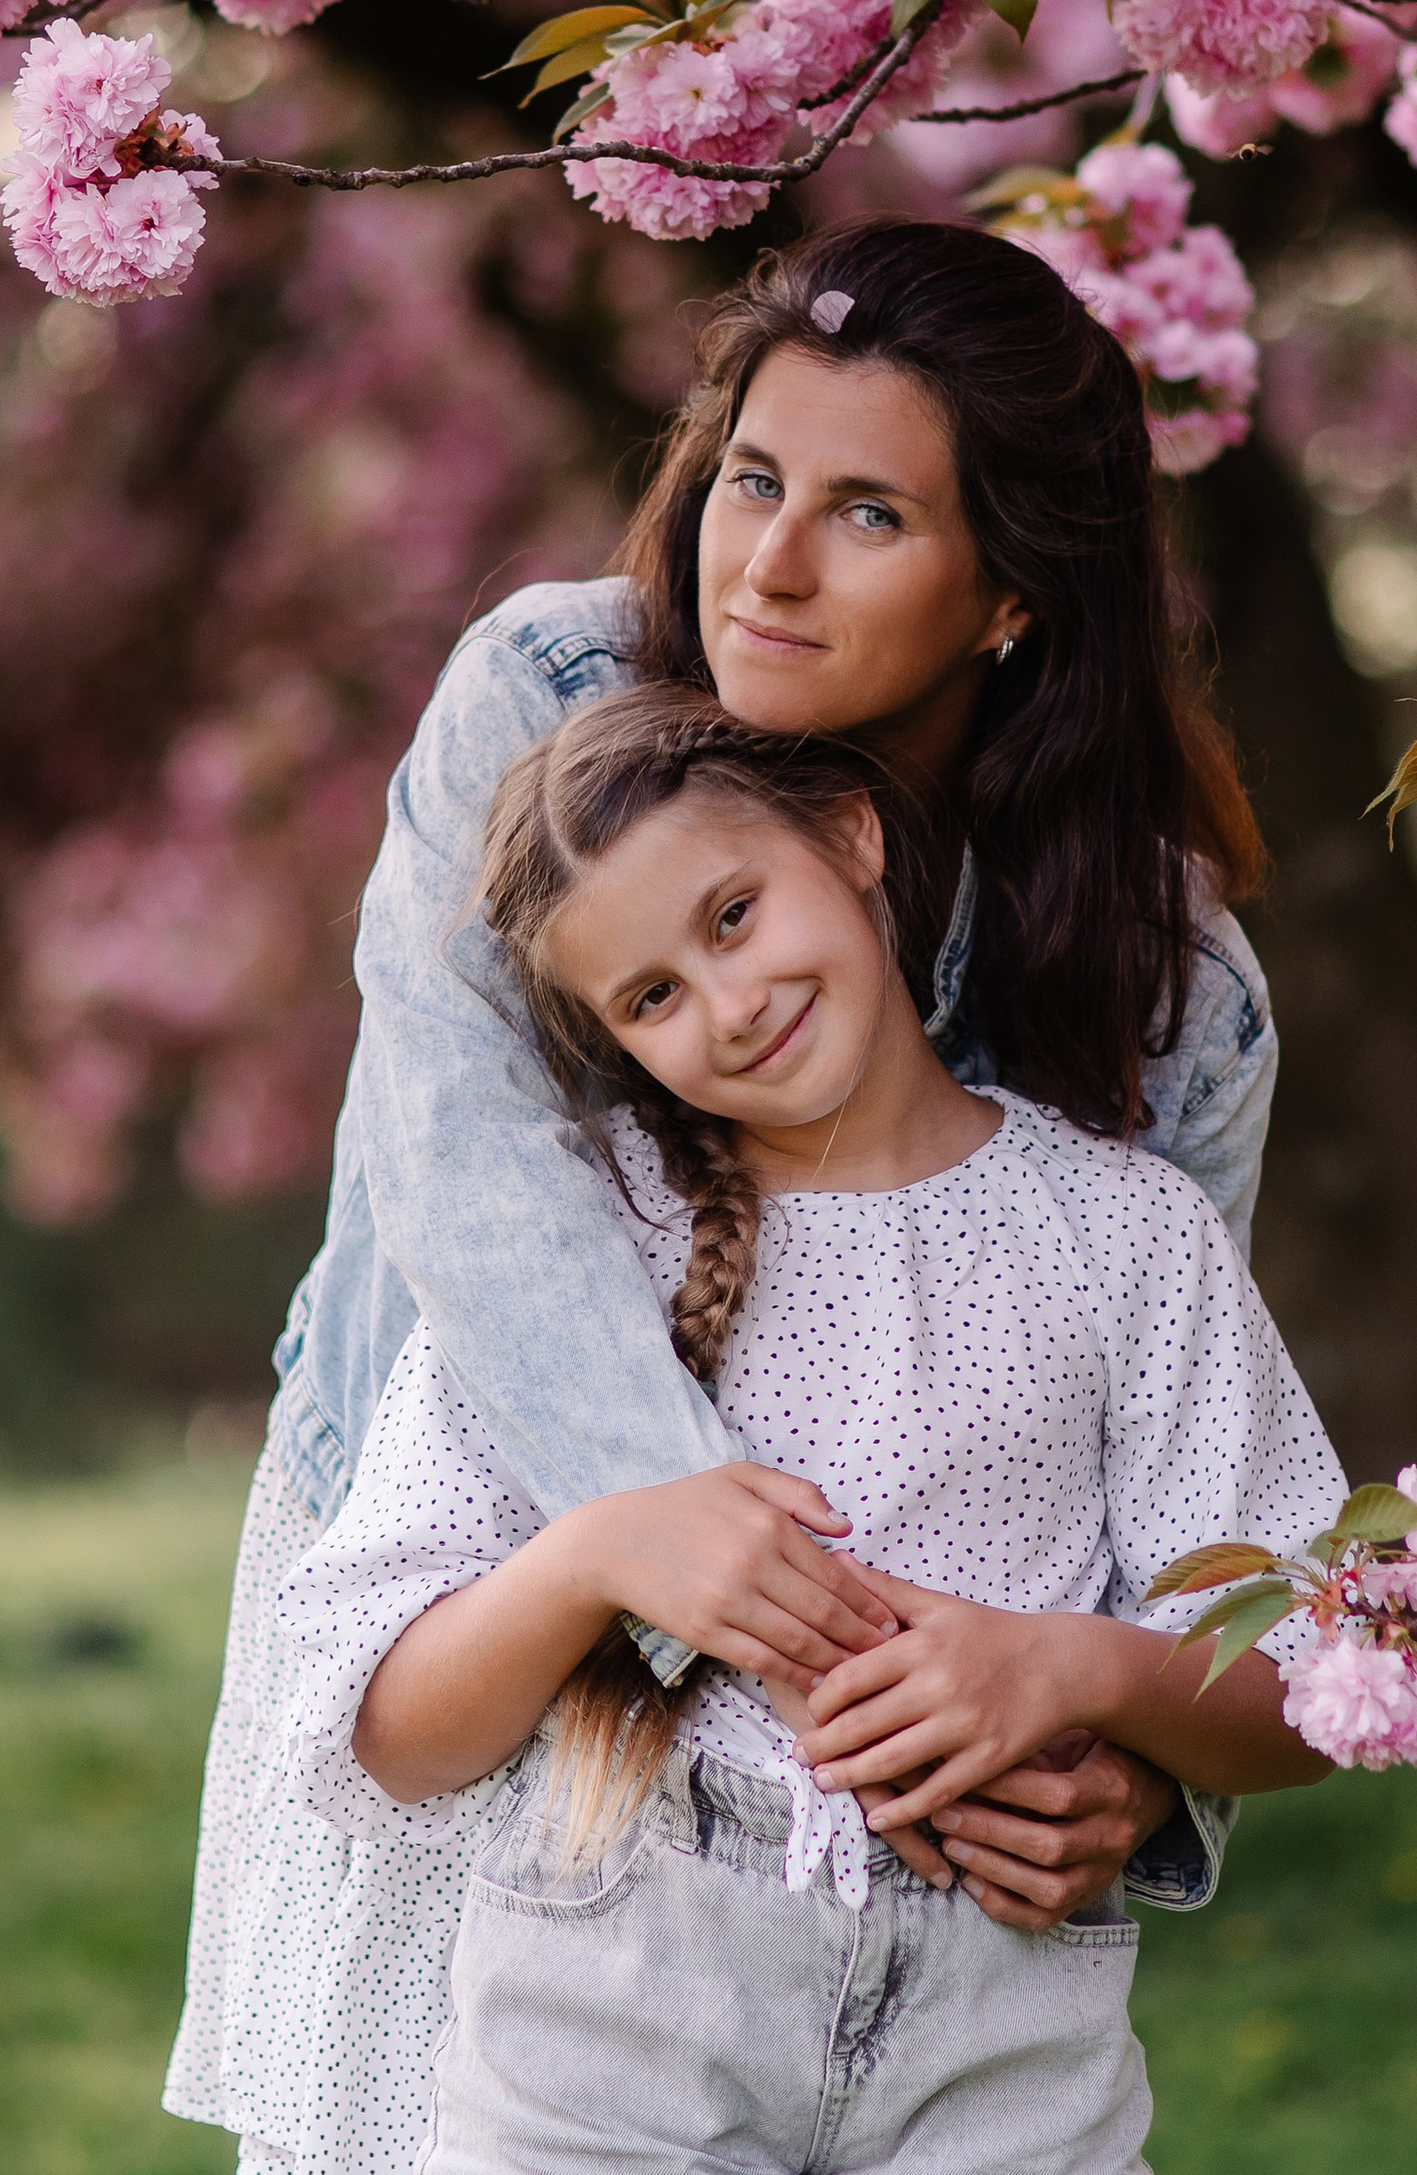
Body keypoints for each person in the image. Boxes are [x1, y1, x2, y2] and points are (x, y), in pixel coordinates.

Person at [165, 218, 1281, 2173]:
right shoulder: (553, 702)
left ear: (1009, 586)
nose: (763, 561)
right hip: (498, 1554)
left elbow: (1178, 1490)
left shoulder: (1163, 978)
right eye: (750, 478)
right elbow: (475, 1169)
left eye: (865, 513)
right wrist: (676, 1557)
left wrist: (1116, 1770)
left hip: (897, 1829)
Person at [279, 686, 1343, 2173]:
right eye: (649, 996)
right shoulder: (586, 1265)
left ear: (850, 838)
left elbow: (1322, 1683)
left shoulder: (1124, 1234)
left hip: (1006, 2036)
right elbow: (386, 1737)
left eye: (731, 914)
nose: (726, 1003)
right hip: (619, 2015)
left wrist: (1075, 1667)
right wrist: (594, 1552)